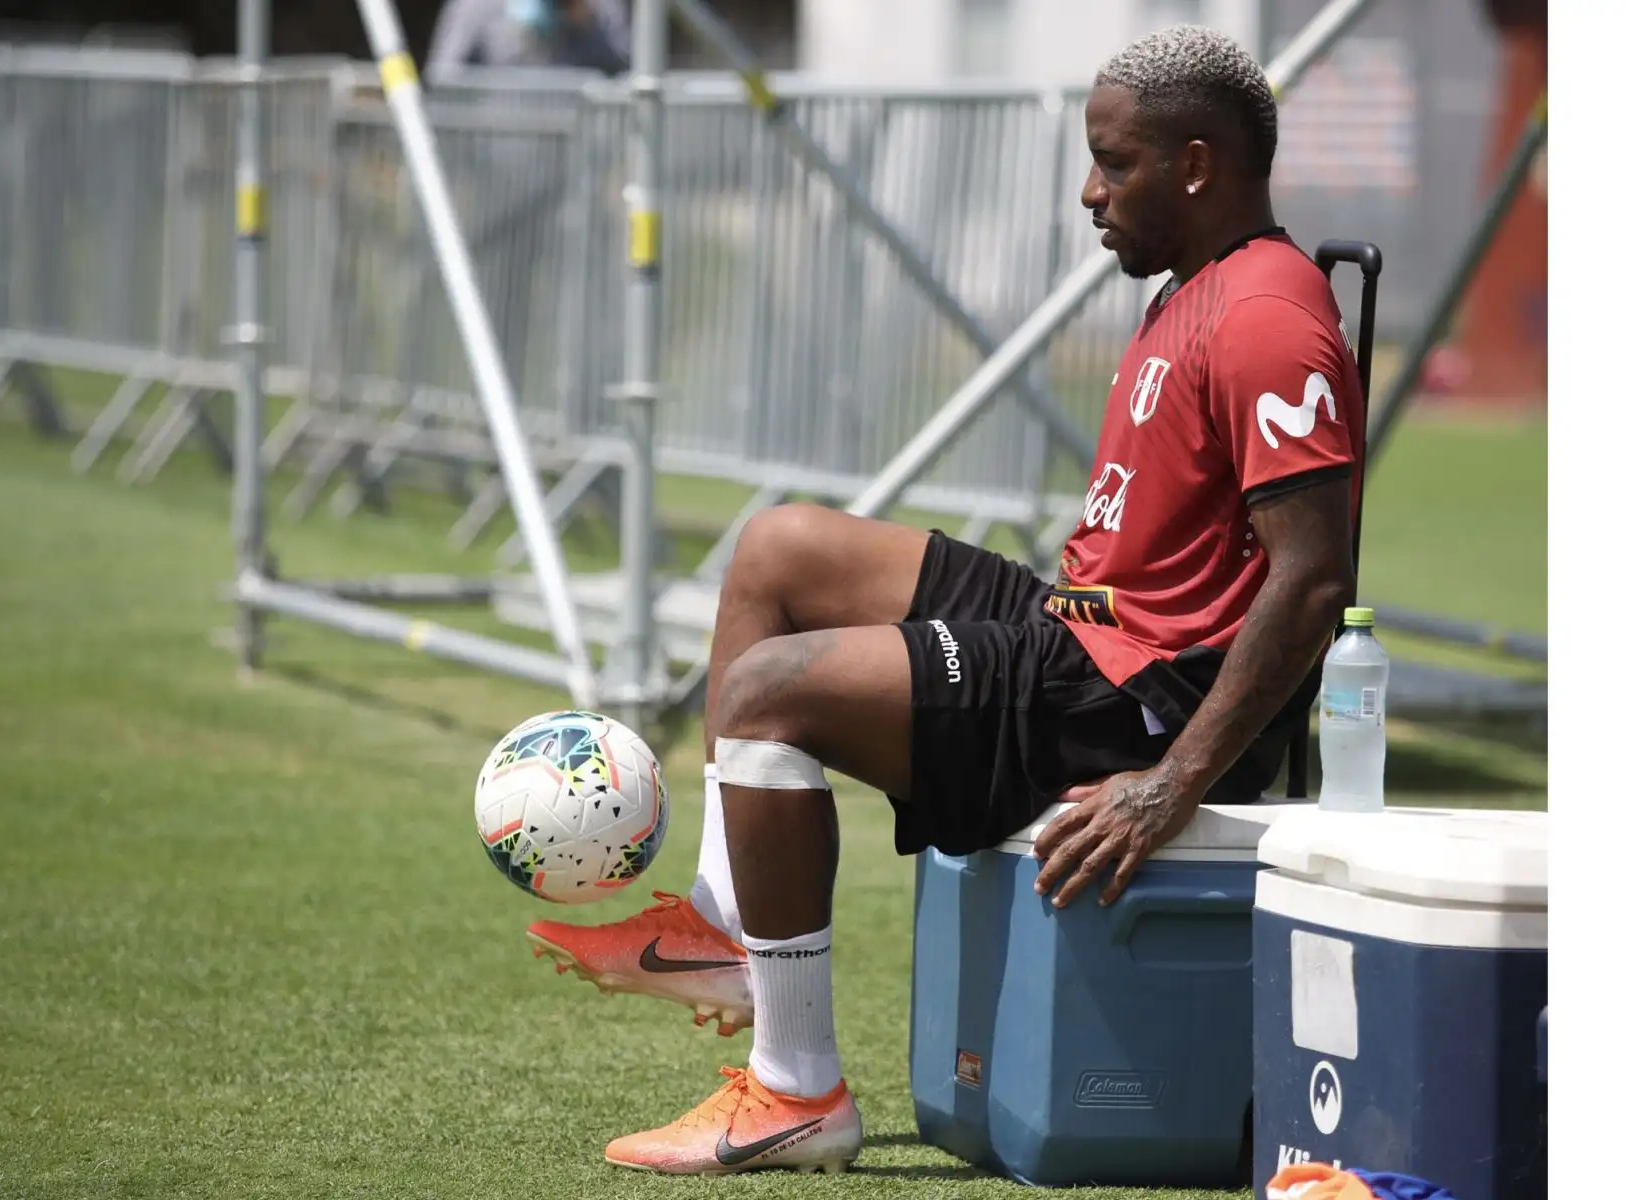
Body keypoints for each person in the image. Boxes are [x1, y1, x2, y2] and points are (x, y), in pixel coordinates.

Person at [526, 24, 1365, 1175]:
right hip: (1088, 625)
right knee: (779, 549)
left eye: (1113, 162)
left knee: (773, 693)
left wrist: (1172, 785)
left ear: (1199, 164)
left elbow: (1313, 574)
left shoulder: (1270, 311)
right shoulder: (1195, 287)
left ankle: (796, 1088)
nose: (1088, 191)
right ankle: (726, 916)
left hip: (1138, 694)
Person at [427, 0, 631, 76]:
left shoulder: (600, 9)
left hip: (577, 159)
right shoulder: (476, 6)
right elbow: (444, 75)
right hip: (495, 154)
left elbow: (627, 72)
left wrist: (587, 26)